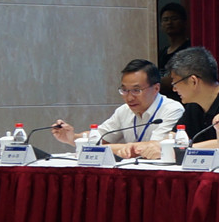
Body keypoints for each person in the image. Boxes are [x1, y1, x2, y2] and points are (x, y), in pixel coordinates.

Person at [50, 59, 185, 156]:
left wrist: (109, 148)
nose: (129, 97)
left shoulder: (172, 109)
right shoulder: (124, 110)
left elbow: (153, 147)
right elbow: (100, 137)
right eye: (124, 90)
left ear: (156, 88)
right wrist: (72, 137)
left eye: (136, 90)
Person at [158, 45, 219, 152]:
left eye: (175, 83)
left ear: (193, 81)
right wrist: (160, 145)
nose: (174, 89)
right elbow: (175, 134)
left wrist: (186, 148)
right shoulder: (193, 105)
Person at [156, 2, 190, 94]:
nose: (169, 23)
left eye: (174, 19)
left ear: (184, 22)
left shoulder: (189, 49)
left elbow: (178, 79)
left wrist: (151, 82)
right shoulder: (161, 53)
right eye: (165, 19)